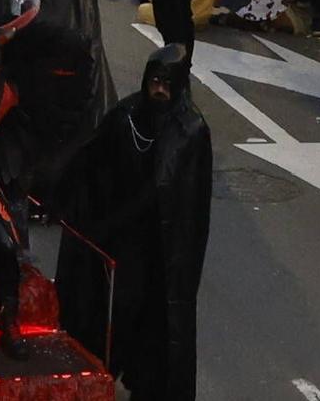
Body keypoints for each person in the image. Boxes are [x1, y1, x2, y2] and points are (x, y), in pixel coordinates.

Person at [58, 45, 212, 401]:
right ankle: (104, 370)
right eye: (154, 81)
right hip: (124, 238)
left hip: (163, 243)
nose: (159, 90)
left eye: (167, 83)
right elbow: (91, 161)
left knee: (157, 317)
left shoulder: (189, 130)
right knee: (117, 309)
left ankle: (149, 384)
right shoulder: (125, 115)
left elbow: (185, 198)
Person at [13, 0, 115, 206]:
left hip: (53, 55)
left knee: (50, 131)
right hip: (86, 43)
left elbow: (26, 14)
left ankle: (47, 196)